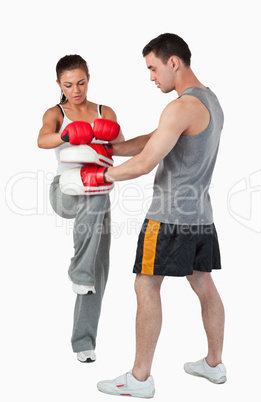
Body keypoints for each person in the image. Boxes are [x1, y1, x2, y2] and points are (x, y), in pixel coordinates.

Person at [90, 33, 226, 397]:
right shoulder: (208, 101)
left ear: (173, 62)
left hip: (168, 219)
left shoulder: (180, 107)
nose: (151, 77)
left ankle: (140, 378)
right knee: (204, 285)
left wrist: (99, 175)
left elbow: (148, 161)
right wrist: (111, 148)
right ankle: (214, 365)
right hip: (201, 216)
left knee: (146, 285)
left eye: (153, 68)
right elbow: (156, 139)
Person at [37, 54, 124, 363]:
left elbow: (120, 146)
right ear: (59, 84)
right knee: (96, 196)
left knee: (98, 268)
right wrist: (65, 134)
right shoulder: (57, 113)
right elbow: (42, 139)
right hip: (66, 191)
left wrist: (157, 138)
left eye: (81, 83)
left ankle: (83, 343)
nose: (76, 90)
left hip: (96, 194)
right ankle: (80, 270)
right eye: (68, 84)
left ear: (89, 77)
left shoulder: (105, 111)